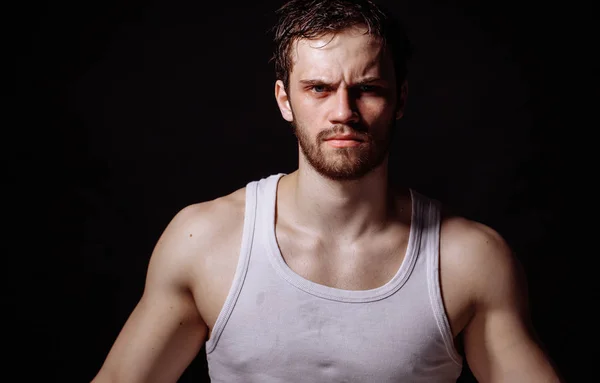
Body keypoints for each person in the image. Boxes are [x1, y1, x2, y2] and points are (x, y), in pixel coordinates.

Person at [91, 0, 562, 382]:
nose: (343, 112)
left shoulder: (469, 259)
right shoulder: (204, 242)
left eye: (369, 88)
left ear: (400, 100)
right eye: (319, 88)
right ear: (284, 101)